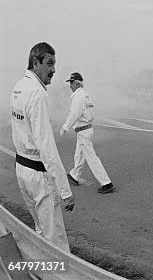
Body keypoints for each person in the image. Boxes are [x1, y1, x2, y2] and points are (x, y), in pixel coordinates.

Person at [10, 42, 75, 252]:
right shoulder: (37, 93)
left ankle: (42, 272)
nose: (54, 69)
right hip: (38, 175)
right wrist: (65, 191)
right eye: (49, 63)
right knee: (56, 241)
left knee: (40, 233)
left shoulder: (19, 86)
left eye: (55, 63)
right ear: (35, 62)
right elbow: (46, 146)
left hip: (22, 170)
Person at [59, 72, 115, 194]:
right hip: (86, 129)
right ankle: (74, 175)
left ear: (76, 83)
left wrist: (65, 127)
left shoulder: (78, 97)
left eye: (71, 83)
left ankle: (106, 183)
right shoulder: (85, 95)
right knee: (79, 155)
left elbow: (75, 113)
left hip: (83, 130)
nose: (70, 86)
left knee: (92, 158)